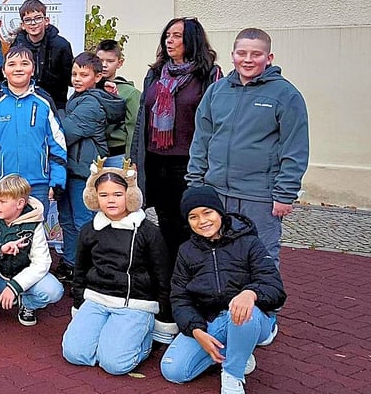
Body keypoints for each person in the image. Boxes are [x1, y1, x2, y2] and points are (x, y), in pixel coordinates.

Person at [187, 28, 309, 267]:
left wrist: (284, 194)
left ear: (269, 58)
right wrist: (196, 185)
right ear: (232, 55)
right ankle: (222, 305)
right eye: (242, 53)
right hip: (217, 192)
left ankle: (260, 306)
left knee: (260, 258)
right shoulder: (216, 91)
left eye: (256, 54)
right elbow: (201, 140)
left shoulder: (286, 95)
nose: (248, 59)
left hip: (259, 197)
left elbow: (294, 149)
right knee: (216, 256)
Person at [161, 186, 286, 394]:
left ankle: (232, 376)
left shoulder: (248, 241)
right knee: (174, 371)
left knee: (243, 312)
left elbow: (274, 287)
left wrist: (250, 293)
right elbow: (180, 297)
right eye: (193, 217)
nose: (202, 221)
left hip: (251, 315)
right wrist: (196, 330)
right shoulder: (186, 251)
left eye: (207, 212)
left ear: (219, 212)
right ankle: (237, 350)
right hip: (211, 319)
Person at [62, 159, 171, 375]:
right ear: (95, 197)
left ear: (129, 195)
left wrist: (164, 318)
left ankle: (143, 339)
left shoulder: (148, 232)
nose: (110, 201)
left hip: (135, 304)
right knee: (74, 354)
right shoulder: (89, 230)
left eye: (117, 195)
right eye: (104, 195)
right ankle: (108, 336)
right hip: (97, 299)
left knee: (115, 364)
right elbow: (81, 271)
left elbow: (163, 276)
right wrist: (79, 302)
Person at [130, 17, 221, 268]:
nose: (170, 40)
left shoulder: (209, 75)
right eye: (168, 35)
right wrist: (136, 158)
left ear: (192, 40)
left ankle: (195, 274)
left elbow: (213, 123)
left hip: (188, 162)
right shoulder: (156, 73)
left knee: (190, 221)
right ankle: (171, 280)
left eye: (177, 36)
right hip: (156, 160)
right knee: (166, 221)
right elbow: (142, 118)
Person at [0, 174, 64, 336]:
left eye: (2, 201)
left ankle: (27, 304)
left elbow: (42, 263)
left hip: (22, 279)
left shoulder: (34, 222)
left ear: (20, 203)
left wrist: (15, 286)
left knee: (54, 290)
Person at [0, 46, 67, 205]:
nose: (18, 69)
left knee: (36, 229)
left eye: (24, 63)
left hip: (38, 184)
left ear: (33, 69)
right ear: (4, 70)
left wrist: (58, 180)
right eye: (12, 64)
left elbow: (58, 144)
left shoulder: (44, 101)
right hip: (4, 183)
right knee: (6, 228)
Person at [57, 52, 126, 276]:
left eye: (84, 74)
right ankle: (70, 262)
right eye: (74, 73)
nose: (77, 78)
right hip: (69, 168)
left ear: (97, 77)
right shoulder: (77, 98)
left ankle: (88, 269)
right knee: (66, 219)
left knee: (83, 222)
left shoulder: (92, 103)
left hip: (83, 171)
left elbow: (65, 133)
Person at [11, 0, 74, 111]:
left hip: (55, 104)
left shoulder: (61, 45)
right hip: (24, 102)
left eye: (38, 18)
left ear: (46, 20)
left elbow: (71, 77)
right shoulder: (17, 47)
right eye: (28, 20)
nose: (33, 23)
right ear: (23, 25)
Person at [96, 40, 140, 168]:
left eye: (110, 61)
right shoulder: (89, 88)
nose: (104, 65)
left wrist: (131, 159)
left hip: (117, 154)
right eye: (100, 60)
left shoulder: (130, 93)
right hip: (93, 154)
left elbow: (133, 129)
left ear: (119, 63)